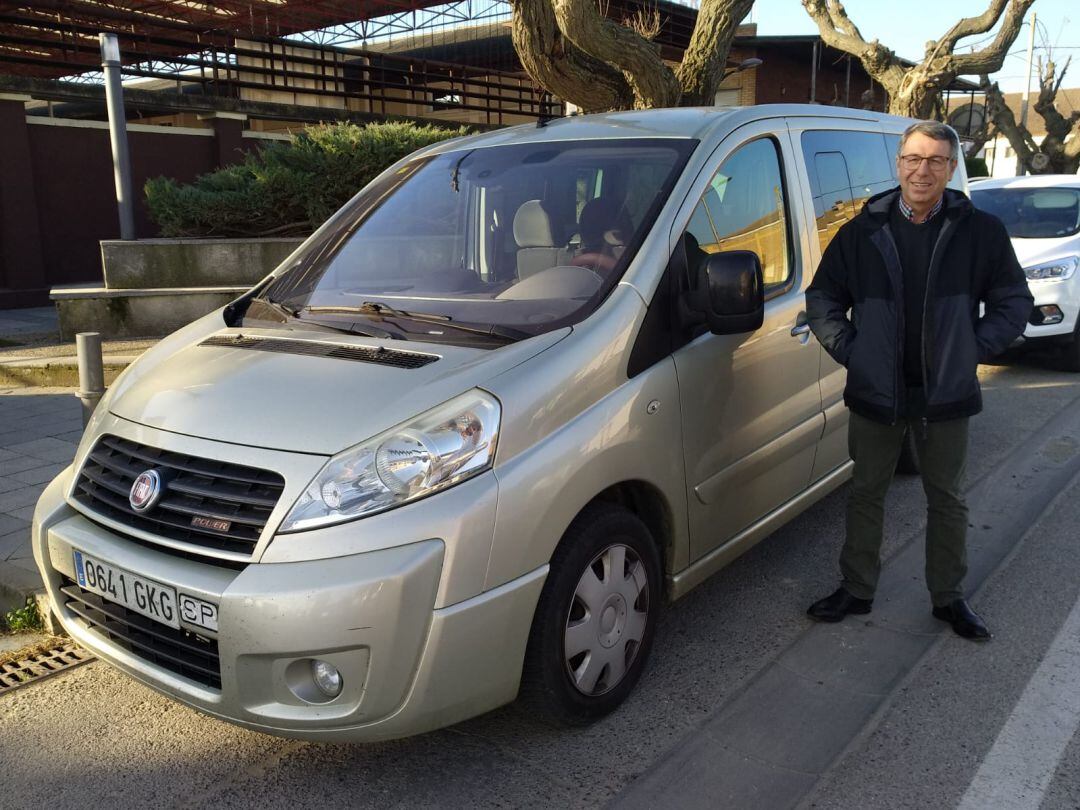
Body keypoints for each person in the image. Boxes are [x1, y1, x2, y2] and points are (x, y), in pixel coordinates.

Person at [804, 121, 1033, 640]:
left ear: (952, 168)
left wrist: (972, 348)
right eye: (913, 159)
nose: (922, 170)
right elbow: (822, 300)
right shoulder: (863, 229)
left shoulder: (980, 232)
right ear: (898, 163)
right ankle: (857, 589)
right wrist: (852, 351)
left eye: (935, 161)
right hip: (876, 390)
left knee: (946, 499)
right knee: (866, 493)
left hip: (945, 393)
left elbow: (1012, 300)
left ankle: (949, 598)